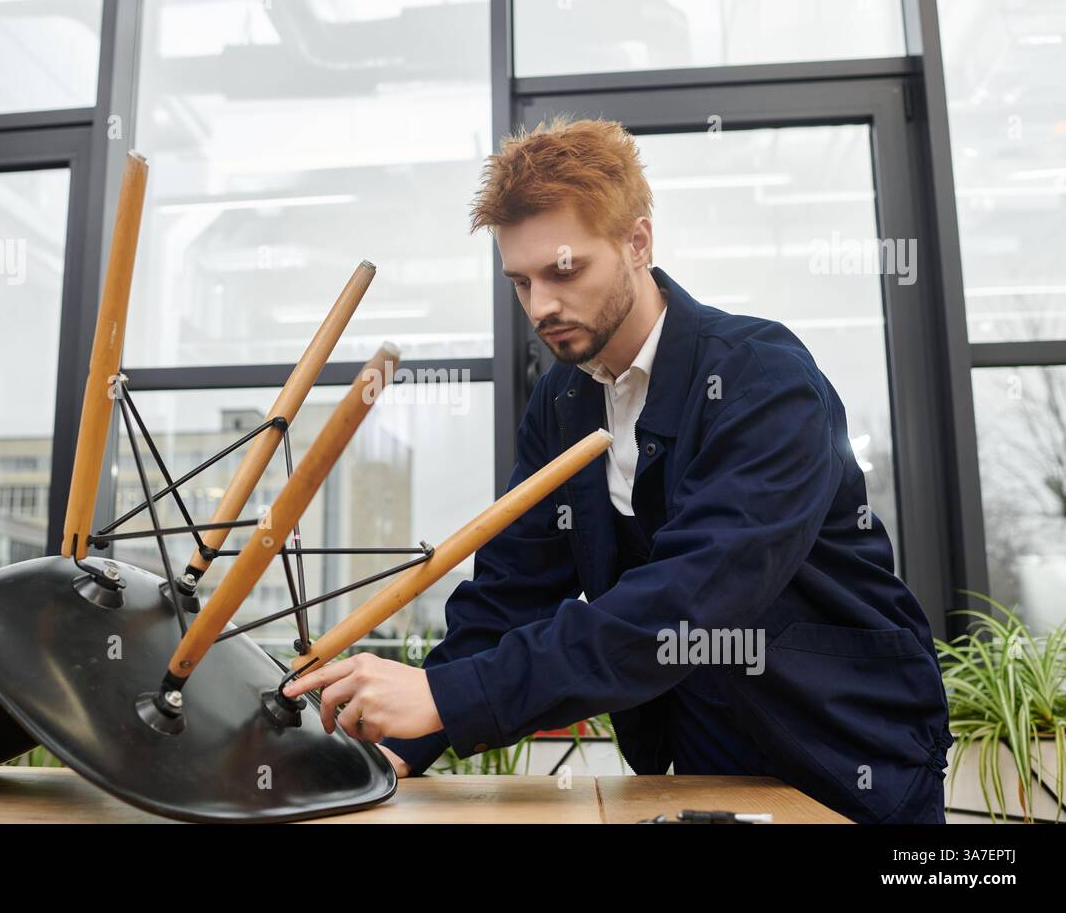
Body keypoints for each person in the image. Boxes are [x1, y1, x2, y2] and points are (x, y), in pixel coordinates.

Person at [282, 115, 953, 824]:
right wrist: (404, 742)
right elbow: (514, 590)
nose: (541, 305)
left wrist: (451, 697)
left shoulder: (762, 379)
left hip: (845, 746)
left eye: (564, 270)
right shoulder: (564, 399)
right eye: (521, 282)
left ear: (637, 242)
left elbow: (687, 601)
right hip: (704, 760)